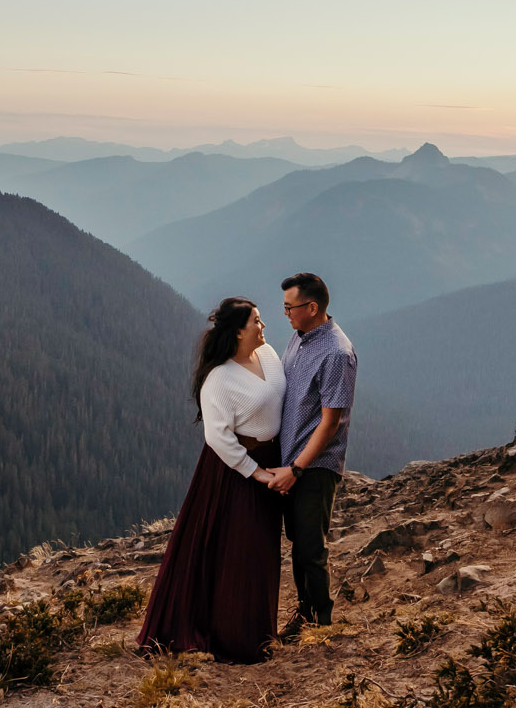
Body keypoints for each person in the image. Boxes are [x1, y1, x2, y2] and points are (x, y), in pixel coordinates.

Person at [135, 296, 289, 663]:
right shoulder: (219, 378)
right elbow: (217, 437)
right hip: (235, 470)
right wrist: (255, 471)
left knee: (263, 549)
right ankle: (239, 641)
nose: (263, 325)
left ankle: (260, 633)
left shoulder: (267, 357)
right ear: (238, 331)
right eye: (256, 320)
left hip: (270, 460)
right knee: (238, 551)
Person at [269, 271, 356, 633]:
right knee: (298, 544)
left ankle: (322, 623)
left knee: (310, 548)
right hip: (291, 461)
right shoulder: (299, 338)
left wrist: (298, 469)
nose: (285, 313)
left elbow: (330, 423)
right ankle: (304, 614)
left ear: (313, 307)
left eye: (290, 307)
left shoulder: (337, 353)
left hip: (314, 466)